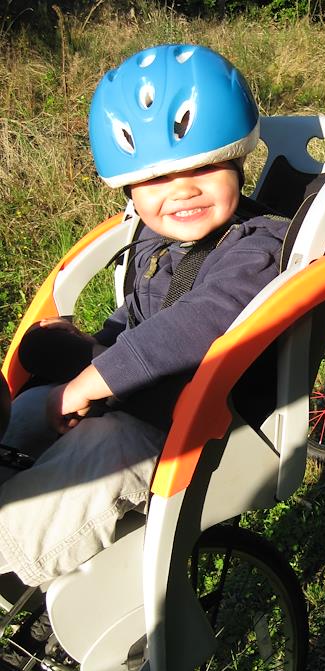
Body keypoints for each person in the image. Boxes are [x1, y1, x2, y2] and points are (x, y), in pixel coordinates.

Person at [0, 44, 289, 589]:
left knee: (100, 451)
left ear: (238, 159)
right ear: (130, 189)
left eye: (203, 167)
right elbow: (137, 313)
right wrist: (94, 349)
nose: (182, 191)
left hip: (193, 424)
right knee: (33, 403)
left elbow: (196, 325)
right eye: (156, 179)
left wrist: (87, 384)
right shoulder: (156, 240)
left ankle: (12, 557)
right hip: (141, 402)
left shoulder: (259, 247)